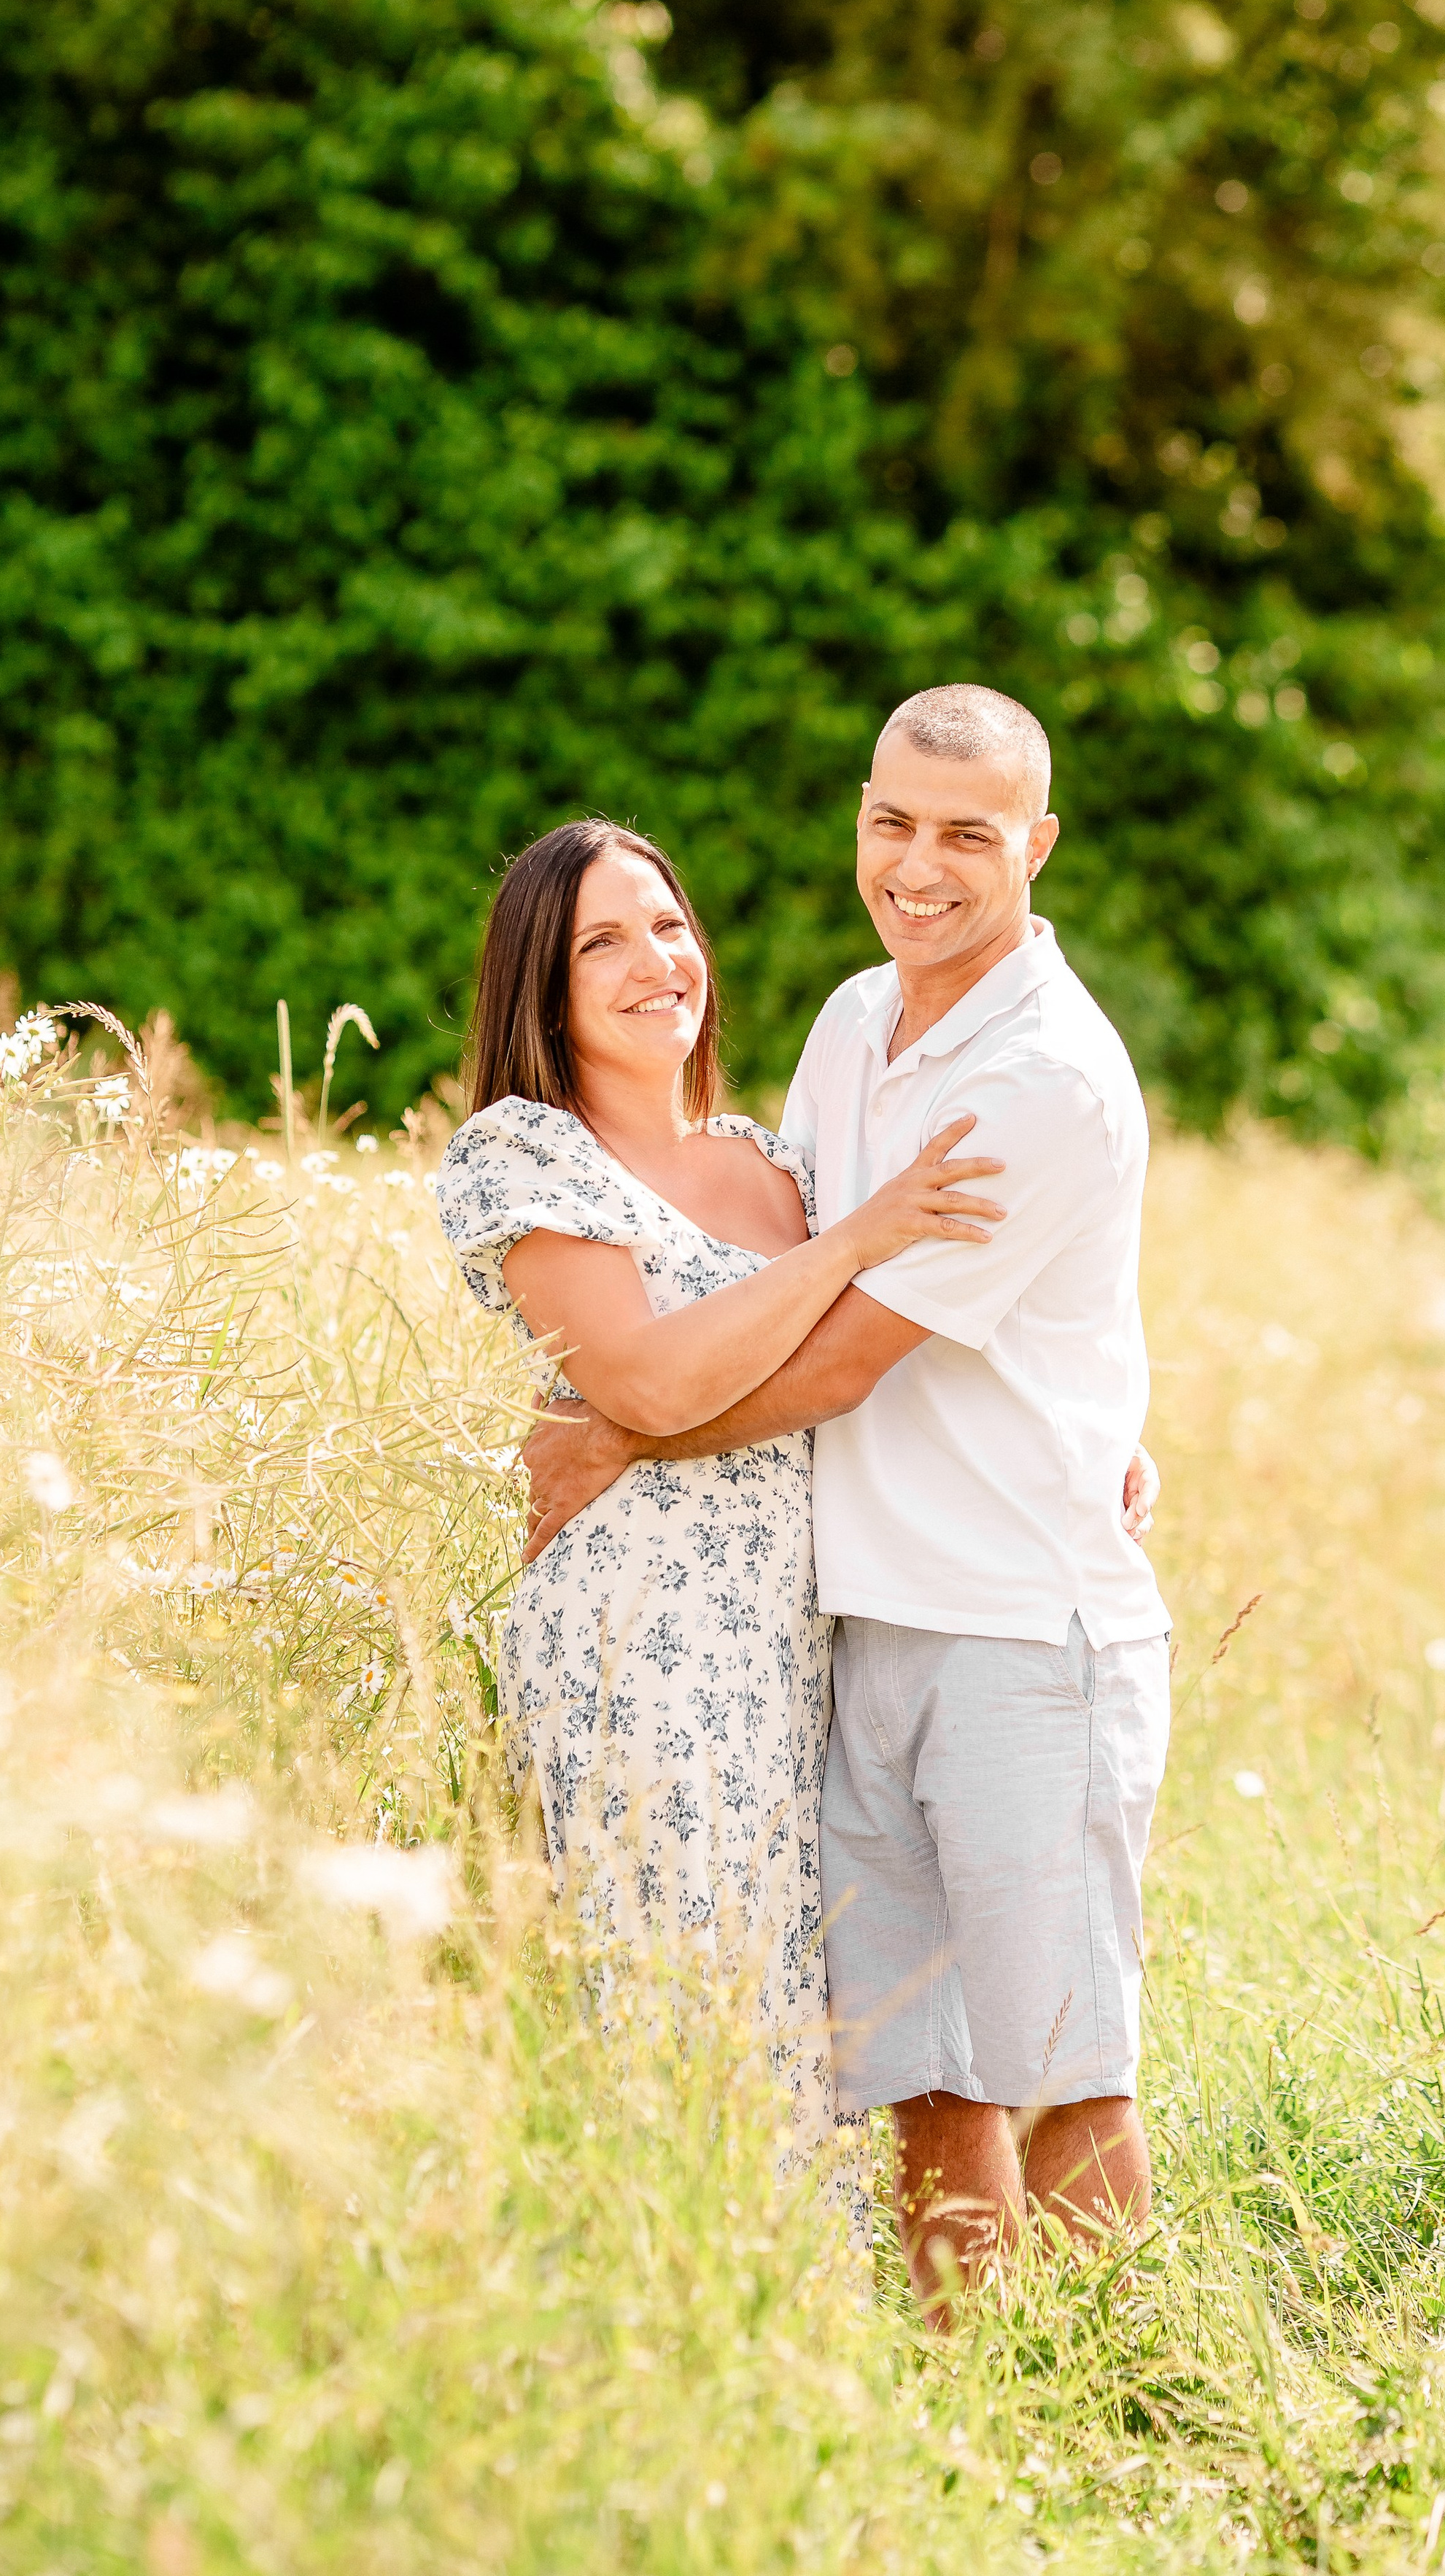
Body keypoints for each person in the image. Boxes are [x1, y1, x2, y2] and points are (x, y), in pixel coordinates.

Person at [521, 687, 1171, 2316]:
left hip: (1019, 1626)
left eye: (967, 834)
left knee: (1058, 2065)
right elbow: (776, 1272)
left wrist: (623, 1439)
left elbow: (834, 1360)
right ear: (860, 818)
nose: (919, 865)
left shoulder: (1039, 1082)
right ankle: (967, 2397)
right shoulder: (847, 1019)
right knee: (916, 2069)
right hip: (847, 1628)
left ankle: (1128, 2412)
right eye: (893, 821)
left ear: (1034, 845)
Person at [432, 817, 1010, 2141]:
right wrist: (855, 1237)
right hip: (639, 1641)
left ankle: (807, 2319)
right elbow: (642, 1380)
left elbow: (875, 1352)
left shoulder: (777, 1162)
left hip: (804, 1637)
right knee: (677, 1990)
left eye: (670, 924)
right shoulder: (526, 1153)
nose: (658, 962)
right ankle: (662, 2302)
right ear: (545, 983)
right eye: (604, 942)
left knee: (813, 1988)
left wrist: (1094, 1444)